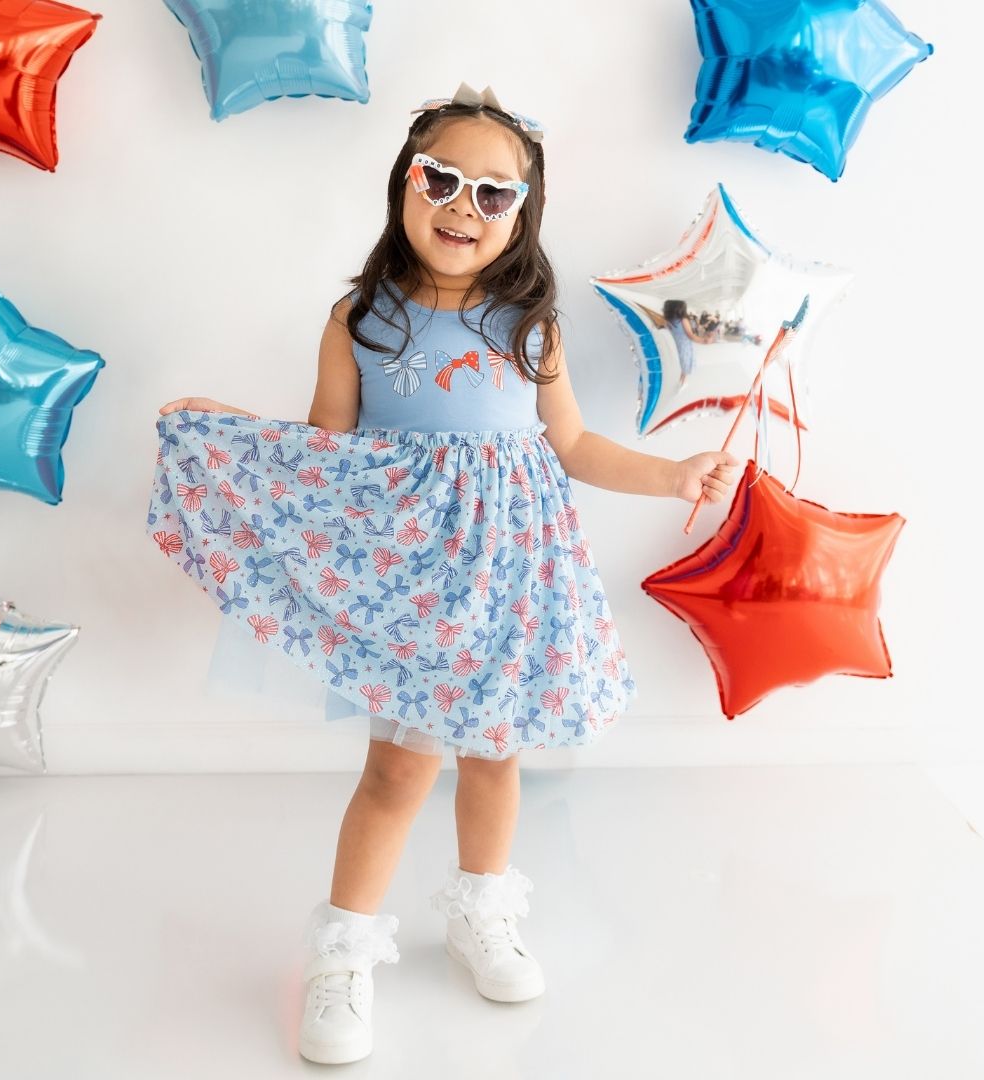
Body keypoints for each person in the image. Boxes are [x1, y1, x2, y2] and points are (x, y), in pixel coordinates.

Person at [150, 82, 737, 1066]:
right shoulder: (361, 319)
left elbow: (574, 446)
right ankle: (341, 954)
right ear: (404, 185)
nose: (465, 206)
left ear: (521, 213)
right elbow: (325, 455)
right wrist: (237, 435)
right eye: (442, 180)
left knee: (494, 757)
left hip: (510, 577)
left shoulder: (530, 327)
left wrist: (671, 474)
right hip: (412, 582)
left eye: (493, 193)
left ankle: (482, 913)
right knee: (397, 769)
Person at [663, 299, 715, 387]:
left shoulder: (669, 321)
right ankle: (682, 385)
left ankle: (680, 382)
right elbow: (690, 335)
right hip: (685, 345)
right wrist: (704, 341)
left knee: (683, 365)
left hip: (677, 345)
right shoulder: (683, 320)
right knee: (685, 366)